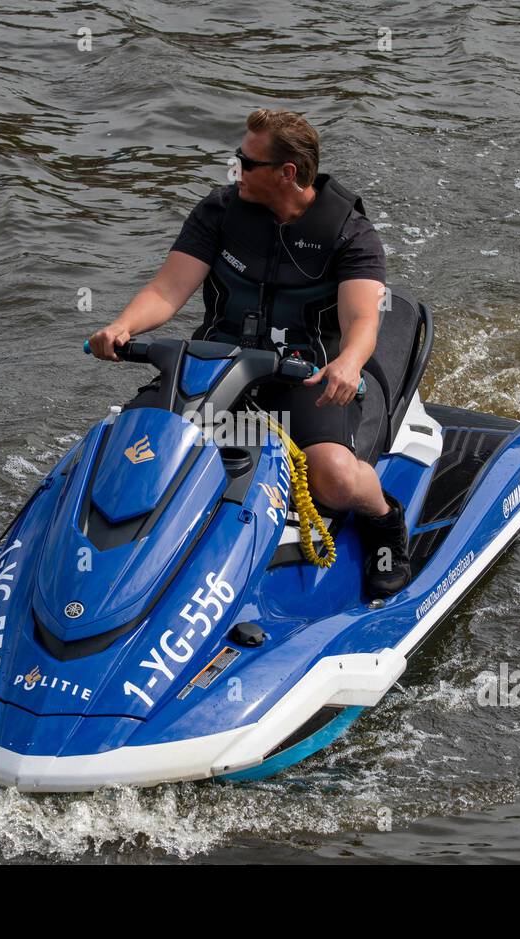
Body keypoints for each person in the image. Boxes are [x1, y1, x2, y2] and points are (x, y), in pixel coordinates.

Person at [88, 108, 410, 598]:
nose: (235, 170)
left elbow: (362, 320)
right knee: (128, 451)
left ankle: (386, 521)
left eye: (246, 161)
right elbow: (168, 289)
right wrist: (122, 325)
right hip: (216, 368)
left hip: (307, 377)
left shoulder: (350, 233)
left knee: (335, 481)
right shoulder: (218, 212)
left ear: (287, 173)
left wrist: (347, 363)